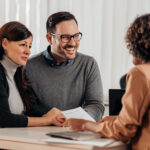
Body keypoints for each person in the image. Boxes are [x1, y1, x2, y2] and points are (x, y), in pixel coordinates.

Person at [65, 14, 150, 150]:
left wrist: (85, 125)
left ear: (136, 43)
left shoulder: (140, 74)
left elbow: (123, 131)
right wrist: (119, 118)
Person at [25, 11, 104, 121]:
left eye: (76, 36)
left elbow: (96, 105)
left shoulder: (88, 64)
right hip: (39, 131)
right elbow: (29, 108)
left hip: (76, 130)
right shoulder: (27, 67)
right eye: (65, 37)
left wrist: (73, 121)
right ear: (49, 38)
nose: (72, 43)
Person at [0, 21, 66, 127]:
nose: (28, 51)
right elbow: (4, 119)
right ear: (5, 43)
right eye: (23, 45)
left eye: (29, 46)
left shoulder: (18, 72)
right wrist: (48, 120)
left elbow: (33, 109)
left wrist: (51, 113)